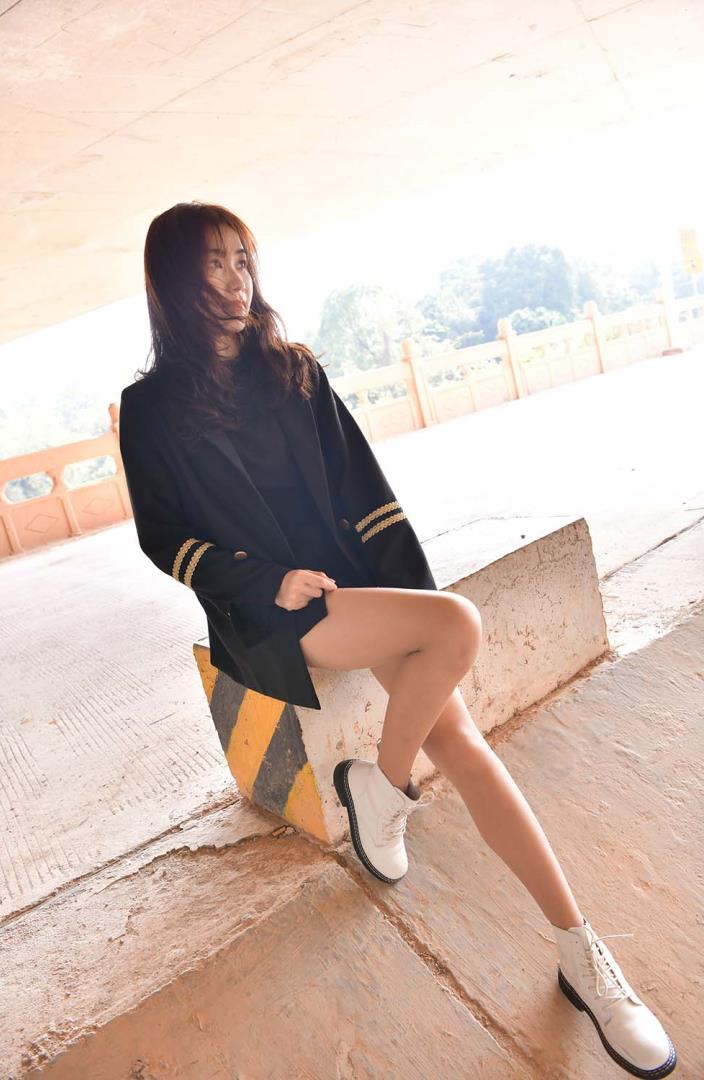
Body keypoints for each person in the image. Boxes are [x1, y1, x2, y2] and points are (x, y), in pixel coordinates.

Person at [118, 201, 676, 1078]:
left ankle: (583, 954)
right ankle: (382, 791)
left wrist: (407, 602)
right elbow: (164, 538)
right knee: (458, 621)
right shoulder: (150, 408)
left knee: (466, 745)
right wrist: (263, 580)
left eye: (243, 260)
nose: (236, 280)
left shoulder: (294, 369)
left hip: (355, 587)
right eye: (214, 264)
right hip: (278, 609)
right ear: (174, 281)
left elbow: (369, 496)